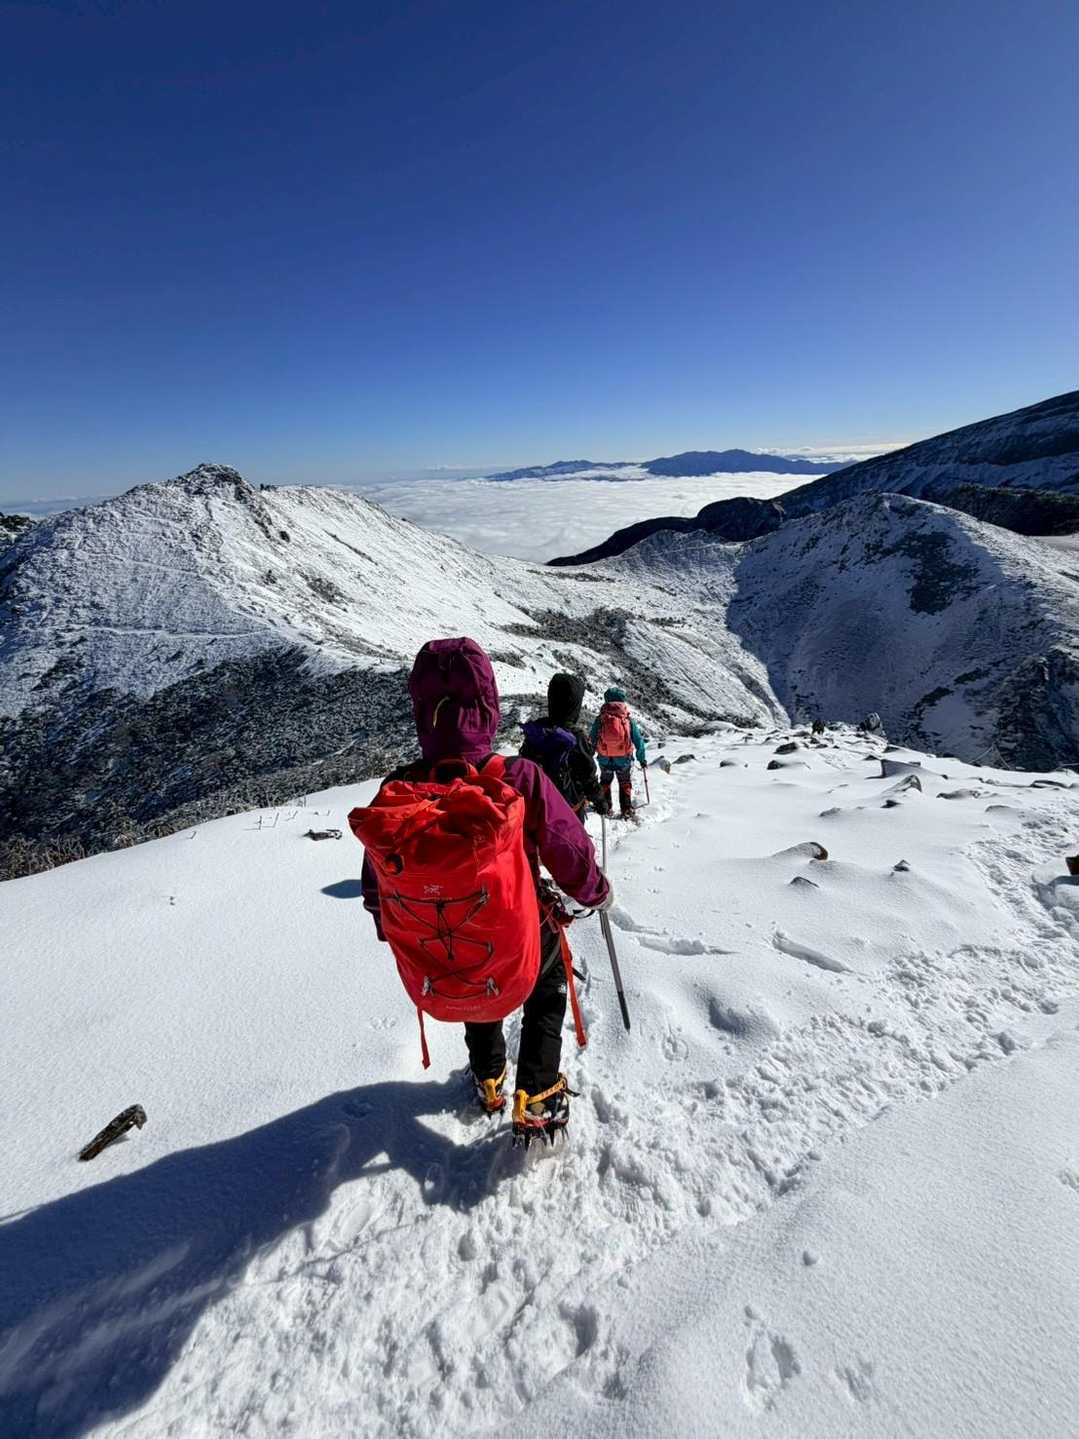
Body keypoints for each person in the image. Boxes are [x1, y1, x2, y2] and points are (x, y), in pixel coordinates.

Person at [359, 638, 612, 1143]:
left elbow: (376, 884)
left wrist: (399, 931)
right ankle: (538, 1094)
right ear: (488, 706)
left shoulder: (399, 792)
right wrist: (596, 892)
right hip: (521, 922)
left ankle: (489, 1077)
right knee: (546, 986)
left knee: (479, 978)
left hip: (444, 942)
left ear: (420, 710)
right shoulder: (517, 777)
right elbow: (569, 849)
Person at [519, 672, 603, 816]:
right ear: (575, 705)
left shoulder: (537, 730)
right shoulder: (576, 736)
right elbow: (587, 775)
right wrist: (600, 800)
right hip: (568, 811)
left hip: (536, 808)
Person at [591, 685, 647, 818]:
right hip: (624, 758)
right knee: (624, 782)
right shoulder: (627, 719)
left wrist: (590, 754)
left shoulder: (600, 719)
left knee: (605, 782)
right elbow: (638, 740)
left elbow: (592, 738)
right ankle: (626, 809)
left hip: (604, 758)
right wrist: (642, 759)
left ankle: (606, 808)